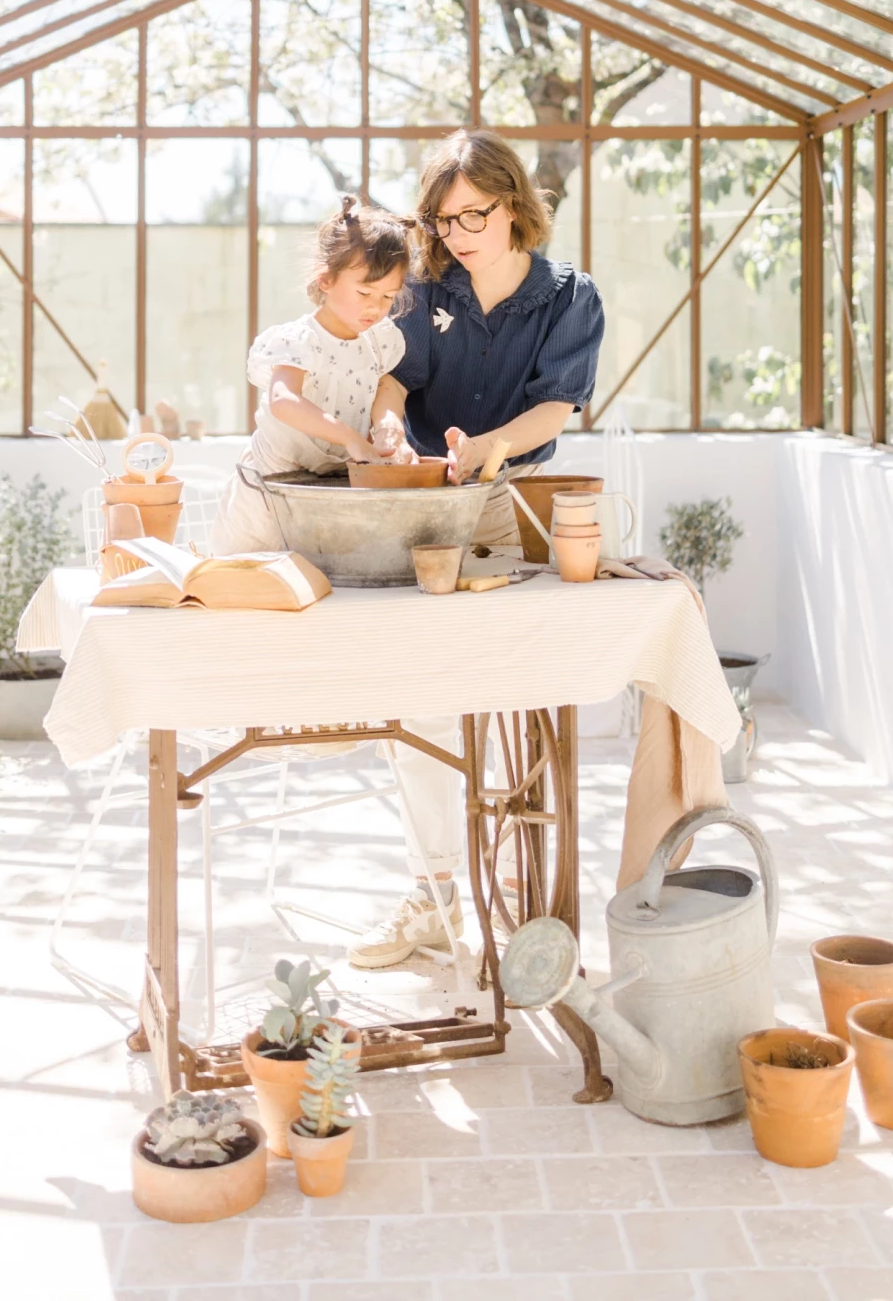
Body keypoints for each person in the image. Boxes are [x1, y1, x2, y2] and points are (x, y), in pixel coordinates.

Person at [349, 130, 605, 969]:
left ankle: (529, 884)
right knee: (417, 698)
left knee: (523, 698)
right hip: (423, 507)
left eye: (474, 215)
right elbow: (394, 381)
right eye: (442, 220)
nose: (457, 235)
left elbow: (556, 407)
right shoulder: (425, 289)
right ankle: (434, 894)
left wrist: (489, 447)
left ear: (515, 204)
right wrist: (389, 429)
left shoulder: (571, 298)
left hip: (514, 508)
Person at [210, 197, 413, 555]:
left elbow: (384, 388)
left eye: (388, 296)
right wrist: (350, 438)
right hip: (269, 488)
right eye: (364, 292)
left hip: (327, 492)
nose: (375, 306)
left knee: (319, 579)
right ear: (326, 279)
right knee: (247, 577)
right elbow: (283, 401)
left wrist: (387, 427)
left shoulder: (378, 343)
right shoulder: (300, 340)